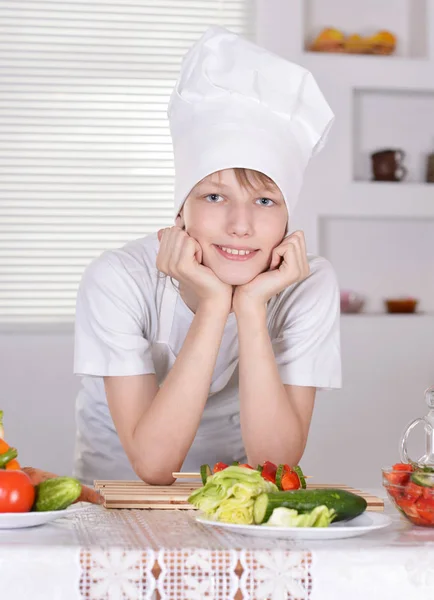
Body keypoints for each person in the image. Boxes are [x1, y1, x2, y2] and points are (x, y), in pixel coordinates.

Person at [73, 26, 341, 486]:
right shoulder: (117, 279)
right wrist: (215, 304)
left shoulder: (307, 283)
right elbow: (154, 465)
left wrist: (251, 308)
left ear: (287, 217)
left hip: (237, 503)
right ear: (182, 211)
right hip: (116, 501)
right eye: (215, 198)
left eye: (264, 201)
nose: (241, 225)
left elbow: (276, 465)